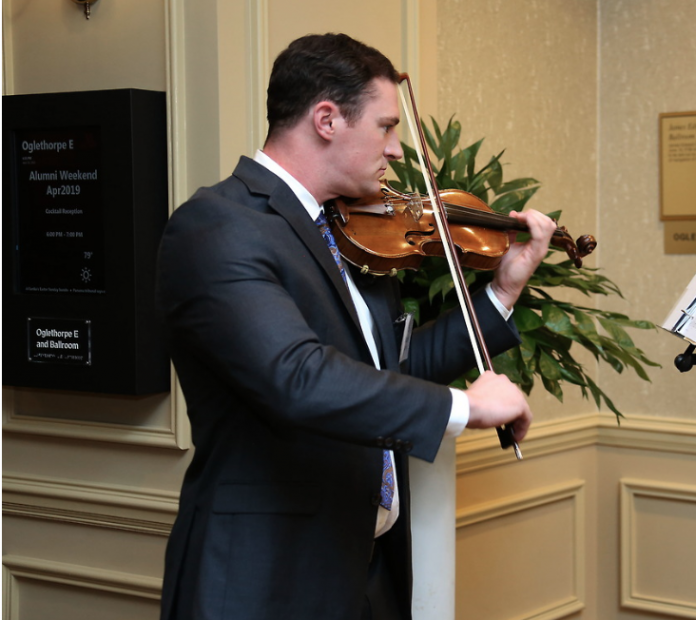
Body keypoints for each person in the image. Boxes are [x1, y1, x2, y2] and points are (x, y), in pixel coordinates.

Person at [157, 32, 554, 620]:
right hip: (263, 576)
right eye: (385, 127)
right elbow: (297, 378)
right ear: (326, 119)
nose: (397, 150)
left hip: (363, 567)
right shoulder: (218, 227)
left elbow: (390, 370)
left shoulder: (350, 231)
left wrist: (502, 290)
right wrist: (464, 408)